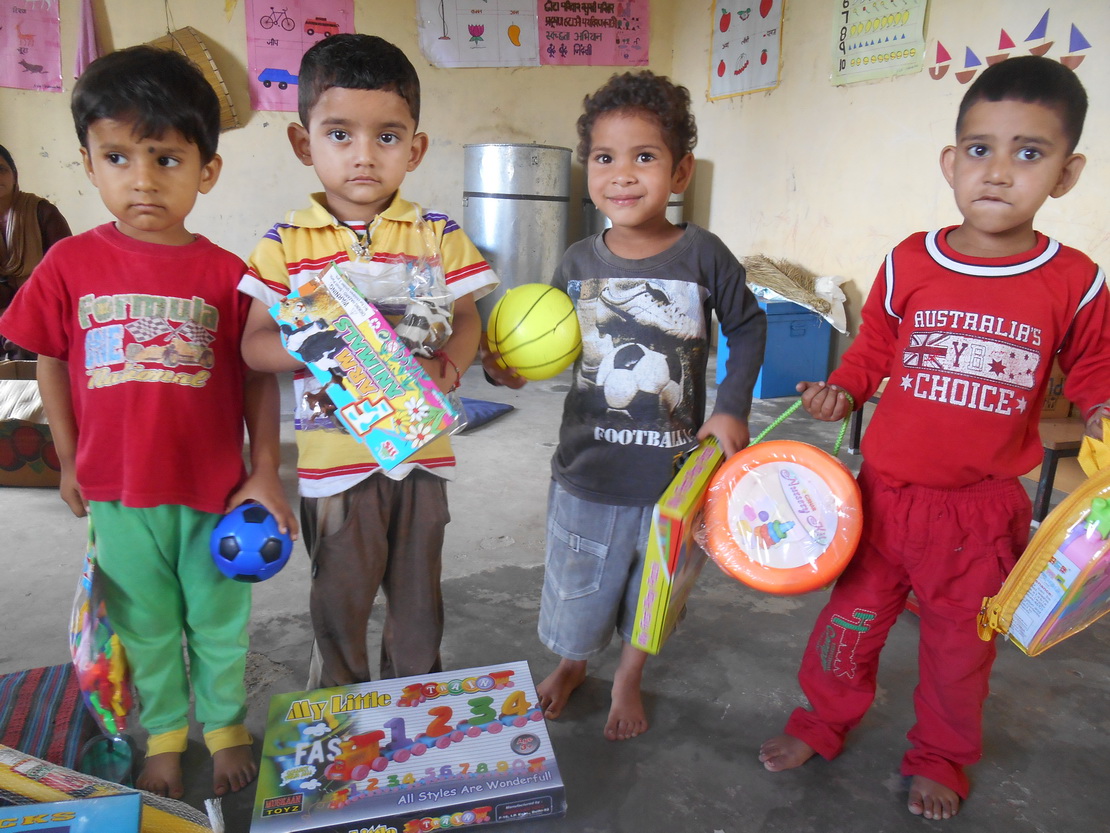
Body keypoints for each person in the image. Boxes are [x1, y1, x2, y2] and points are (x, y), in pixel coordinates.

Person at [759, 56, 1110, 820]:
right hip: (882, 498)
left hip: (981, 515)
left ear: (1067, 172)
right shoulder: (911, 259)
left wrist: (1099, 409)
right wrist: (842, 388)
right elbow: (874, 347)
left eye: (1030, 152)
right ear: (951, 162)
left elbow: (1094, 364)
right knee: (847, 628)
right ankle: (822, 721)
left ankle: (941, 755)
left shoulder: (1075, 278)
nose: (998, 172)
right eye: (980, 149)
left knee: (960, 654)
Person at [0, 46, 297, 799]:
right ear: (88, 161)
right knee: (148, 624)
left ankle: (224, 723)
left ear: (207, 170)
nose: (141, 178)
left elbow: (258, 378)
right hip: (119, 493)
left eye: (165, 157)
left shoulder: (229, 274)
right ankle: (166, 730)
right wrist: (68, 462)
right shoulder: (66, 266)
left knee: (220, 618)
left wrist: (265, 468)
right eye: (118, 155)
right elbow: (53, 364)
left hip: (217, 494)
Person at [483, 70, 766, 741]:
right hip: (588, 468)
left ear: (680, 171)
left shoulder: (703, 254)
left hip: (675, 475)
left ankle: (629, 675)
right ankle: (574, 661)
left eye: (645, 156)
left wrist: (729, 406)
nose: (622, 174)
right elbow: (547, 344)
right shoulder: (578, 261)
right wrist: (511, 370)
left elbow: (750, 325)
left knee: (654, 592)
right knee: (579, 582)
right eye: (605, 158)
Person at [238, 34, 498, 689]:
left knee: (417, 599)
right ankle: (344, 695)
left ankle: (412, 692)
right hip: (336, 467)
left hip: (422, 455)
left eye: (387, 137)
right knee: (341, 598)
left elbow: (468, 317)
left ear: (415, 147)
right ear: (305, 144)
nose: (363, 155)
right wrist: (313, 338)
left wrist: (452, 363)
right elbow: (253, 345)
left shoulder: (437, 234)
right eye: (339, 134)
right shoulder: (285, 245)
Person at [0, 143, 72, 358]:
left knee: (24, 342)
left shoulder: (42, 212)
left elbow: (66, 275)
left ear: (14, 175)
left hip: (42, 307)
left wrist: (21, 314)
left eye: (1, 170)